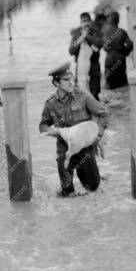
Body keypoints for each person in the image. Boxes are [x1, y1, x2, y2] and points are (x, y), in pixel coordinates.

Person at [39, 62, 110, 197]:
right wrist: (50, 131)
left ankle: (88, 175)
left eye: (72, 78)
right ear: (56, 83)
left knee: (93, 187)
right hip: (64, 152)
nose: (71, 82)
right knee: (68, 195)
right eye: (66, 80)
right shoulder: (50, 104)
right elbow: (42, 125)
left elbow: (104, 113)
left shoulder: (82, 96)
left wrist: (98, 137)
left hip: (84, 150)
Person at [69, 11, 102, 99]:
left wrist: (86, 37)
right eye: (83, 21)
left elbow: (99, 45)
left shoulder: (96, 32)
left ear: (91, 22)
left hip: (94, 67)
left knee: (94, 95)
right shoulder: (76, 34)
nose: (86, 23)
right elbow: (71, 51)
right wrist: (80, 39)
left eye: (87, 21)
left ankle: (96, 110)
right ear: (80, 23)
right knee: (80, 94)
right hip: (80, 68)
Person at [102, 10, 134, 91]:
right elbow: (130, 44)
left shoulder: (106, 32)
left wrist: (110, 49)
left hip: (109, 60)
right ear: (118, 20)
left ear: (110, 20)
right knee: (121, 84)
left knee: (110, 85)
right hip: (120, 59)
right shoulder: (122, 32)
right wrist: (125, 52)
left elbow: (105, 47)